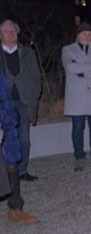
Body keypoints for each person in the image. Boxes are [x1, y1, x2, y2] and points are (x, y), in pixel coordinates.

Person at [62, 22, 91, 172]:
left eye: (89, 34)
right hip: (77, 96)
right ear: (77, 35)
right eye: (84, 33)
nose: (87, 36)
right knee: (78, 127)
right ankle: (79, 157)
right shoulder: (68, 50)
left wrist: (83, 72)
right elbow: (70, 67)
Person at [0, 19, 41, 182]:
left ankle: (21, 171)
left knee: (24, 139)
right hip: (3, 103)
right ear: (1, 35)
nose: (11, 34)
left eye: (13, 31)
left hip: (23, 102)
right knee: (4, 139)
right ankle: (5, 174)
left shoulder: (28, 53)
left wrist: (34, 95)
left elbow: (36, 76)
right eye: (7, 31)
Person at [0, 69, 32, 223]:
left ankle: (16, 208)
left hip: (4, 122)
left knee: (11, 164)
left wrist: (11, 115)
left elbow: (4, 94)